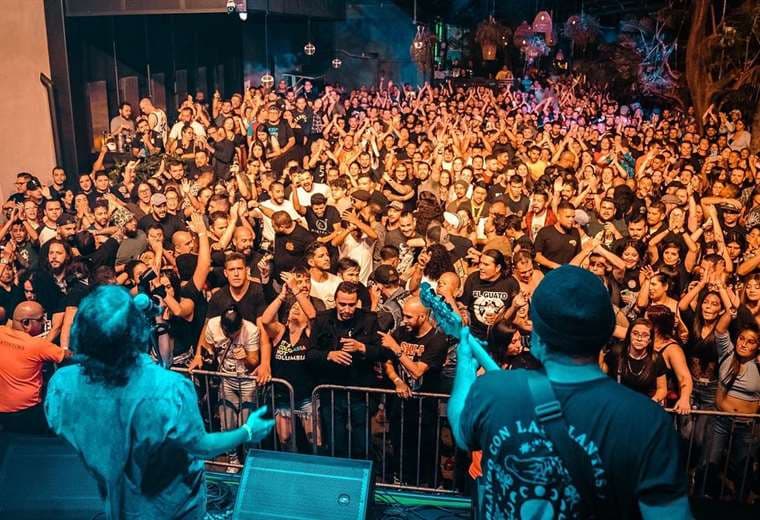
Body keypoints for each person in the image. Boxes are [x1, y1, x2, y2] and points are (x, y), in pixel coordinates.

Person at [449, 265, 690, 518]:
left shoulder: (494, 389)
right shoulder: (648, 420)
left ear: (537, 336)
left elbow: (461, 431)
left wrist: (465, 364)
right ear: (605, 334)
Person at [45, 285, 273, 519]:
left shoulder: (61, 385)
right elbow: (202, 446)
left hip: (120, 504)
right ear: (137, 333)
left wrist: (124, 315)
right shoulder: (169, 388)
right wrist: (247, 431)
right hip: (174, 506)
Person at [0, 301, 68, 433]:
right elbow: (67, 356)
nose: (44, 323)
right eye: (41, 319)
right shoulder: (38, 346)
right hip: (26, 413)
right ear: (26, 323)